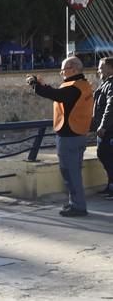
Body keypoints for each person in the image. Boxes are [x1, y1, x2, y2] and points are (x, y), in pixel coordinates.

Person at [28, 56, 94, 217]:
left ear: (73, 69)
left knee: (70, 172)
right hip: (79, 133)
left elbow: (57, 95)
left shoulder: (74, 87)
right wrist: (43, 86)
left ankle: (78, 207)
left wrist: (35, 85)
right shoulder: (82, 85)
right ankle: (75, 204)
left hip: (69, 136)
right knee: (74, 172)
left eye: (63, 69)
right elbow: (60, 94)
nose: (61, 72)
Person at [92, 57, 113, 198]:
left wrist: (103, 126)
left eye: (101, 67)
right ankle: (110, 185)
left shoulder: (111, 84)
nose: (98, 69)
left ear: (110, 68)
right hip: (106, 128)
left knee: (106, 155)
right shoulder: (106, 83)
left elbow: (110, 106)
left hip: (109, 129)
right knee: (105, 155)